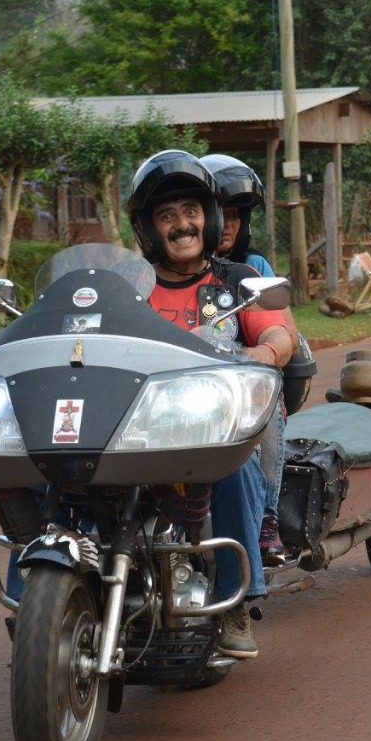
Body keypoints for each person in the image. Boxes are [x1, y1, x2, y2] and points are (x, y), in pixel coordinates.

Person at [126, 149, 294, 660]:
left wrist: (259, 352)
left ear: (211, 216)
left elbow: (279, 336)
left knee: (237, 468)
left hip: (210, 428)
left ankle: (233, 601)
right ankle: (49, 583)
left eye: (191, 212)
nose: (182, 225)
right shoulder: (129, 287)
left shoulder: (237, 278)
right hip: (135, 427)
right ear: (149, 228)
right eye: (167, 215)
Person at [201, 153, 296, 568]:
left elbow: (282, 330)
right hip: (179, 386)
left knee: (267, 398)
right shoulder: (159, 272)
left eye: (237, 215)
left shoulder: (249, 268)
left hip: (239, 387)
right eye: (221, 213)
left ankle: (267, 518)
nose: (230, 223)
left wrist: (263, 353)